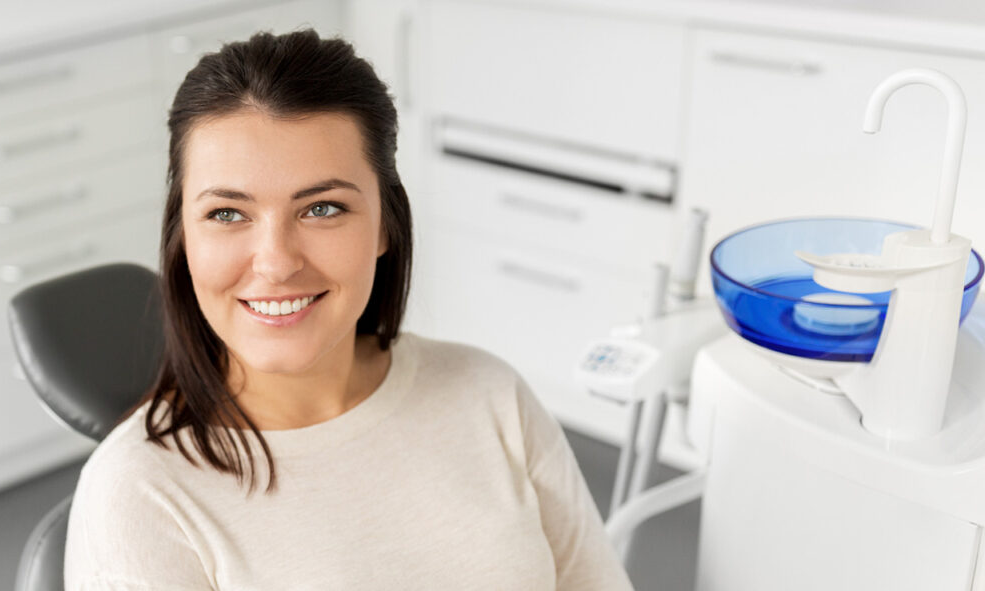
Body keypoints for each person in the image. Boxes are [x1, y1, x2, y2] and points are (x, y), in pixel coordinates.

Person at [64, 29, 634, 590]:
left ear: (385, 224)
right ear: (183, 237)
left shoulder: (488, 394)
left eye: (322, 208)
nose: (277, 262)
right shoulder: (137, 496)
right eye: (227, 214)